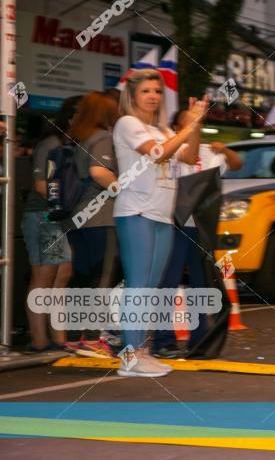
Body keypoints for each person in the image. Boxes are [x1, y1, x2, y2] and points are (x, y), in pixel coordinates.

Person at [113, 69, 207, 377]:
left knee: (151, 289)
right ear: (133, 96)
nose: (153, 96)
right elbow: (158, 154)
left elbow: (189, 158)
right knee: (138, 287)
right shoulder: (128, 124)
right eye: (146, 91)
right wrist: (188, 125)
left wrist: (196, 126)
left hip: (162, 215)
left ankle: (142, 352)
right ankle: (130, 357)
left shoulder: (165, 128)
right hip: (136, 213)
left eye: (157, 91)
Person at [153, 109, 242, 358]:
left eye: (199, 121)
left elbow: (237, 164)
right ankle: (163, 339)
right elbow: (185, 159)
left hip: (200, 227)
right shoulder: (173, 147)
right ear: (177, 127)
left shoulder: (208, 150)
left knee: (200, 285)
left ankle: (199, 337)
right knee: (168, 283)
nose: (196, 125)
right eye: (190, 121)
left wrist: (224, 150)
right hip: (174, 223)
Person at [64, 91, 120, 357]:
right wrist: (123, 189)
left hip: (77, 219)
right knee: (102, 278)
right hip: (100, 217)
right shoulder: (103, 138)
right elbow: (98, 172)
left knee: (81, 278)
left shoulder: (77, 138)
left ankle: (75, 337)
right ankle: (95, 338)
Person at [22, 96, 79, 353]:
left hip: (54, 216)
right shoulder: (52, 144)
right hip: (43, 215)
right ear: (72, 118)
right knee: (45, 277)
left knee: (61, 275)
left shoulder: (68, 145)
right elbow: (41, 185)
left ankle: (57, 339)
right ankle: (40, 341)